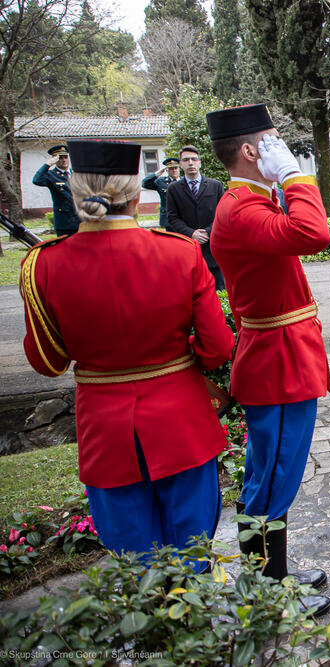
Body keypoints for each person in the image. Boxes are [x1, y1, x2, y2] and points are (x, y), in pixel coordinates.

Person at [19, 139, 234, 564]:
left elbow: (48, 362)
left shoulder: (43, 264)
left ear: (76, 193)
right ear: (137, 196)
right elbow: (217, 348)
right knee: (192, 551)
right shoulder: (180, 252)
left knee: (135, 561)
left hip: (105, 427)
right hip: (181, 419)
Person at [207, 103, 330, 617]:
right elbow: (314, 234)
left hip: (283, 354)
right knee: (273, 477)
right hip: (277, 362)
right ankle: (266, 593)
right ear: (250, 150)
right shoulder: (241, 207)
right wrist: (294, 176)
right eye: (273, 141)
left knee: (270, 475)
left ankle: (272, 577)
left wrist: (282, 180)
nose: (281, 150)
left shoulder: (249, 200)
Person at [165, 146, 226, 290]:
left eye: (194, 159)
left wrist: (208, 231)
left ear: (200, 162)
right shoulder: (173, 189)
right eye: (186, 160)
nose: (190, 163)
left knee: (220, 293)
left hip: (213, 250)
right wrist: (191, 234)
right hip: (188, 249)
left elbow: (222, 213)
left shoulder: (215, 186)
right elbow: (172, 217)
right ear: (181, 164)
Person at [32, 144, 80, 236]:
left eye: (65, 157)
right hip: (64, 222)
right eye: (60, 158)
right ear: (55, 159)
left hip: (80, 220)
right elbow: (36, 180)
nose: (64, 160)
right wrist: (48, 164)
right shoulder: (51, 175)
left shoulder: (76, 173)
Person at [142, 156, 180, 228]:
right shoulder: (161, 181)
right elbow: (145, 183)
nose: (174, 170)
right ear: (167, 170)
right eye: (171, 168)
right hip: (168, 219)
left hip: (182, 218)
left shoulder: (184, 181)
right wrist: (157, 174)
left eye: (176, 168)